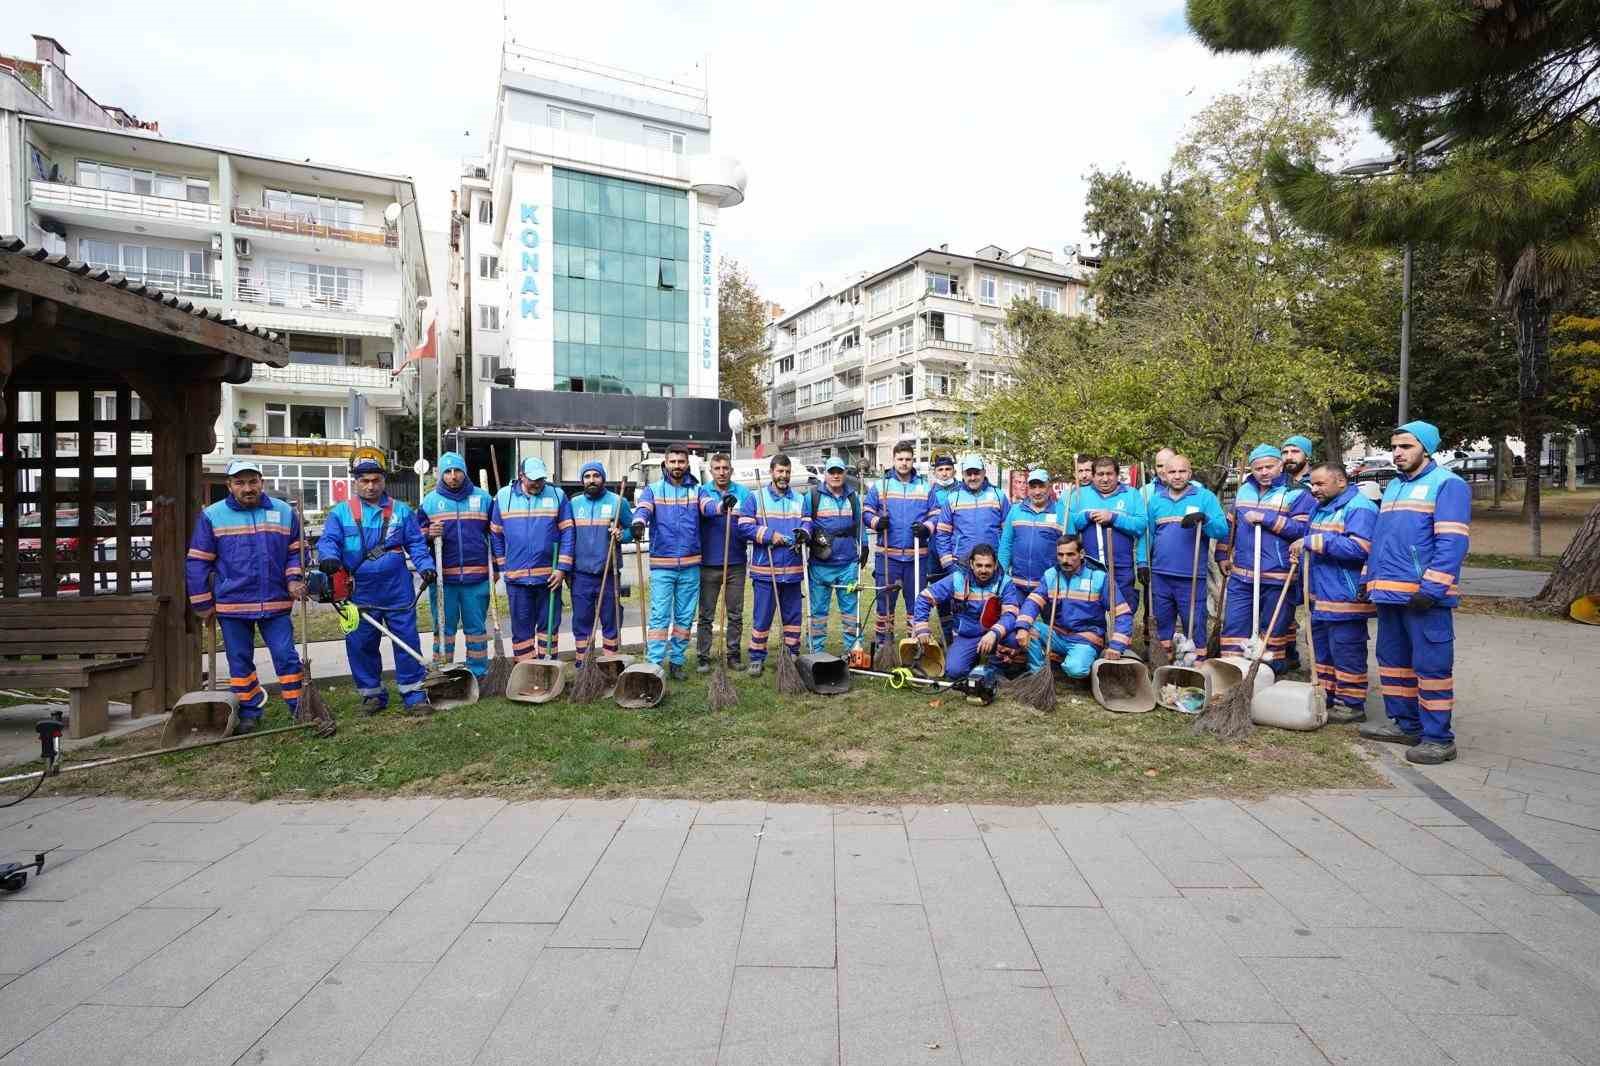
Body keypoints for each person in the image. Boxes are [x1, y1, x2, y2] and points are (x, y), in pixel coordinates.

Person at [1359, 420, 1470, 763]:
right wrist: (1368, 578)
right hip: (1388, 594)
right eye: (1394, 447)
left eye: (1406, 446)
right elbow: (1382, 541)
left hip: (1423, 598)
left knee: (1431, 666)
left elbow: (1453, 541)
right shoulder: (1393, 486)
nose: (1397, 453)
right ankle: (1406, 724)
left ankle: (1439, 738)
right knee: (1393, 664)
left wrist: (1433, 586)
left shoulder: (1447, 485)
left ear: (1426, 448)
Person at [186, 458, 305, 734]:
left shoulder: (285, 512)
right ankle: (249, 712)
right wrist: (202, 602)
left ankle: (300, 706)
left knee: (286, 656)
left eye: (252, 481)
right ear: (229, 486)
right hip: (232, 604)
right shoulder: (212, 516)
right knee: (240, 662)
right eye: (240, 482)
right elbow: (197, 561)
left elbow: (296, 551)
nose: (247, 488)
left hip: (275, 601)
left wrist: (294, 579)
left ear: (262, 482)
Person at [317, 458, 437, 715]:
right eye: (365, 481)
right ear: (356, 482)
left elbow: (416, 543)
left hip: (397, 589)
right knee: (361, 643)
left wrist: (426, 565)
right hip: (357, 590)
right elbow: (328, 541)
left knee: (406, 640)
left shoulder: (402, 511)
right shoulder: (340, 513)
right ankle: (371, 695)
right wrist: (328, 557)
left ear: (384, 481)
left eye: (376, 480)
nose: (371, 486)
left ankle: (414, 695)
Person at [1290, 462, 1377, 724]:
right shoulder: (1320, 508)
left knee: (1346, 650)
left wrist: (1316, 542)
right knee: (1320, 649)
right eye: (1312, 484)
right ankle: (1325, 694)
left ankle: (1351, 704)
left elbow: (1361, 548)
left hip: (1345, 596)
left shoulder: (1360, 508)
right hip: (1319, 593)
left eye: (1319, 484)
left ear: (1341, 481)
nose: (1313, 489)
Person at [1219, 444, 1314, 674]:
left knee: (1272, 630)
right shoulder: (1244, 491)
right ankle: (1233, 674)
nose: (1264, 472)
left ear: (1280, 465)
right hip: (1242, 574)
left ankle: (1266, 673)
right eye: (1258, 468)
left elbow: (1303, 530)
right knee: (1234, 626)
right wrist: (1223, 554)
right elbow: (1230, 525)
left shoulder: (1297, 493)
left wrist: (1268, 519)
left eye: (1269, 467)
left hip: (1278, 575)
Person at [630, 443, 718, 680]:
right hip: (662, 566)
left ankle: (677, 662)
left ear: (687, 464)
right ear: (665, 463)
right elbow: (643, 510)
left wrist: (722, 506)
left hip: (690, 565)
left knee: (684, 617)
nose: (677, 466)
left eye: (681, 462)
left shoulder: (697, 491)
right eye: (673, 462)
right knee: (659, 616)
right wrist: (638, 522)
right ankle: (654, 664)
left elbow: (709, 508)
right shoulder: (653, 490)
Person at [1144, 454, 1230, 661]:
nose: (1177, 476)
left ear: (1190, 473)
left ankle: (1196, 664)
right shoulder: (1155, 501)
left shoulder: (1205, 498)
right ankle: (1164, 663)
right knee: (1163, 622)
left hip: (1191, 575)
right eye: (1172, 472)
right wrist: (1142, 563)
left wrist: (1205, 519)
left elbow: (1221, 529)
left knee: (1194, 622)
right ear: (1164, 474)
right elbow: (1147, 536)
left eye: (1182, 471)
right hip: (1161, 574)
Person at [1014, 534, 1134, 679]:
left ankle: (1073, 659)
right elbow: (1032, 602)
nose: (1065, 560)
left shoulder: (1099, 578)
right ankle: (1039, 675)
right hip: (1057, 634)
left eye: (1070, 554)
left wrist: (1116, 646)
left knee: (1075, 670)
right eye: (1061, 555)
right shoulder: (1051, 575)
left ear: (1081, 554)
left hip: (1086, 639)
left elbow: (1123, 613)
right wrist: (1022, 627)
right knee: (1029, 629)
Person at [491, 457, 574, 664]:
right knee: (521, 629)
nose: (537, 483)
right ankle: (526, 670)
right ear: (521, 476)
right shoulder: (503, 497)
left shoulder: (557, 495)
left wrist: (562, 568)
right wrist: (502, 567)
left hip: (549, 578)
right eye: (533, 479)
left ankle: (548, 667)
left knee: (549, 628)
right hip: (517, 579)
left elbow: (568, 532)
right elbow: (496, 534)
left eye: (541, 479)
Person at [420, 452, 493, 679]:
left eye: (457, 471)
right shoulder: (429, 502)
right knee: (443, 629)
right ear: (441, 474)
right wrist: (428, 533)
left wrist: (498, 568)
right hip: (444, 580)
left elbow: (497, 535)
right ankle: (443, 672)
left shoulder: (484, 500)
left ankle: (478, 674)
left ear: (465, 472)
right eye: (448, 472)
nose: (453, 476)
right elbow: (414, 537)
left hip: (476, 579)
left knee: (476, 631)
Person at [739, 453, 811, 675]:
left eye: (787, 472)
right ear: (772, 472)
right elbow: (743, 526)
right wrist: (770, 535)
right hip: (765, 570)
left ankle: (792, 653)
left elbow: (808, 523)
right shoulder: (756, 497)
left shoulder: (800, 499)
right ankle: (756, 656)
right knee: (762, 615)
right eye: (780, 471)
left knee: (792, 616)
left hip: (792, 569)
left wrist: (804, 534)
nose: (784, 476)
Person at [912, 543, 1026, 681]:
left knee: (1014, 640)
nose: (983, 570)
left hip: (996, 633)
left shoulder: (1005, 582)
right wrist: (922, 628)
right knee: (954, 672)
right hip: (967, 635)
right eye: (979, 565)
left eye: (988, 566)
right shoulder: (958, 579)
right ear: (971, 564)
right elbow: (924, 598)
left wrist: (994, 633)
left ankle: (996, 668)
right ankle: (973, 662)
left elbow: (1011, 615)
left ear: (995, 565)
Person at [863, 440, 933, 651]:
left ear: (913, 461)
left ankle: (914, 645)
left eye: (908, 459)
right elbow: (866, 511)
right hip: (888, 556)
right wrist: (876, 522)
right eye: (900, 459)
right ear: (893, 460)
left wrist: (926, 528)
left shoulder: (925, 487)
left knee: (917, 603)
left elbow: (937, 514)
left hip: (916, 557)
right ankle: (885, 645)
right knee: (885, 603)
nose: (904, 463)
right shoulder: (881, 486)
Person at [1064, 456, 1147, 610]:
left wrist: (1113, 518)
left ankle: (1119, 634)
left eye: (1109, 474)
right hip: (1090, 566)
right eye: (1100, 474)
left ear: (1117, 475)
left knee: (1123, 609)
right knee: (1092, 610)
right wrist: (1086, 516)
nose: (1105, 478)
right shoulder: (1079, 495)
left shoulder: (1131, 494)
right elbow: (1071, 525)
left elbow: (1141, 525)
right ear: (1093, 476)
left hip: (1121, 566)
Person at [569, 461, 632, 663]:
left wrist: (622, 533)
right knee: (582, 621)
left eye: (596, 475)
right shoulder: (573, 504)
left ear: (603, 478)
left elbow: (633, 531)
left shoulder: (618, 501)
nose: (592, 480)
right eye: (587, 476)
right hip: (580, 574)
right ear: (582, 480)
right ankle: (583, 666)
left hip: (609, 572)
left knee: (610, 619)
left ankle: (610, 664)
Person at [807, 457, 868, 654]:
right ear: (825, 474)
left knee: (851, 611)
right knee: (818, 612)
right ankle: (816, 651)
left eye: (839, 472)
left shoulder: (852, 497)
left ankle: (854, 649)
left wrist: (865, 545)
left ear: (844, 474)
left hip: (848, 564)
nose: (835, 475)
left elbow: (859, 524)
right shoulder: (813, 496)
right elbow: (806, 522)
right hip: (821, 563)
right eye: (831, 471)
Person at [695, 452, 750, 673]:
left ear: (731, 470)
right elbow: (703, 512)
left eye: (725, 468)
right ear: (711, 470)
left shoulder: (744, 493)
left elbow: (750, 522)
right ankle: (703, 656)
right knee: (706, 614)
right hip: (708, 562)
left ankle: (733, 655)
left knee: (735, 613)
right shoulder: (702, 492)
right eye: (717, 468)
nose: (721, 472)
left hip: (735, 562)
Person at [934, 454, 1010, 576]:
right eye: (969, 474)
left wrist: (1003, 563)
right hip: (961, 565)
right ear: (963, 475)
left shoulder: (999, 496)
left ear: (984, 472)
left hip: (991, 565)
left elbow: (1009, 533)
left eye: (976, 473)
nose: (973, 477)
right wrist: (948, 563)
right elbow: (942, 533)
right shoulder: (953, 498)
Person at [998, 467, 1063, 593]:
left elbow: (1070, 549)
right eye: (1033, 487)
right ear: (1028, 488)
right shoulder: (1016, 510)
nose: (1037, 492)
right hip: (1017, 585)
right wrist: (1001, 576)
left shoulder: (1062, 513)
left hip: (1049, 587)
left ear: (1049, 487)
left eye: (1041, 486)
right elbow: (1006, 545)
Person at [923, 453, 960, 642]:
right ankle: (947, 636)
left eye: (948, 469)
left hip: (956, 551)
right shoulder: (930, 492)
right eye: (940, 470)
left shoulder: (962, 489)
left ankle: (961, 633)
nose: (945, 473)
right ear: (935, 472)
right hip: (934, 552)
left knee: (959, 593)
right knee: (941, 594)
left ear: (954, 470)